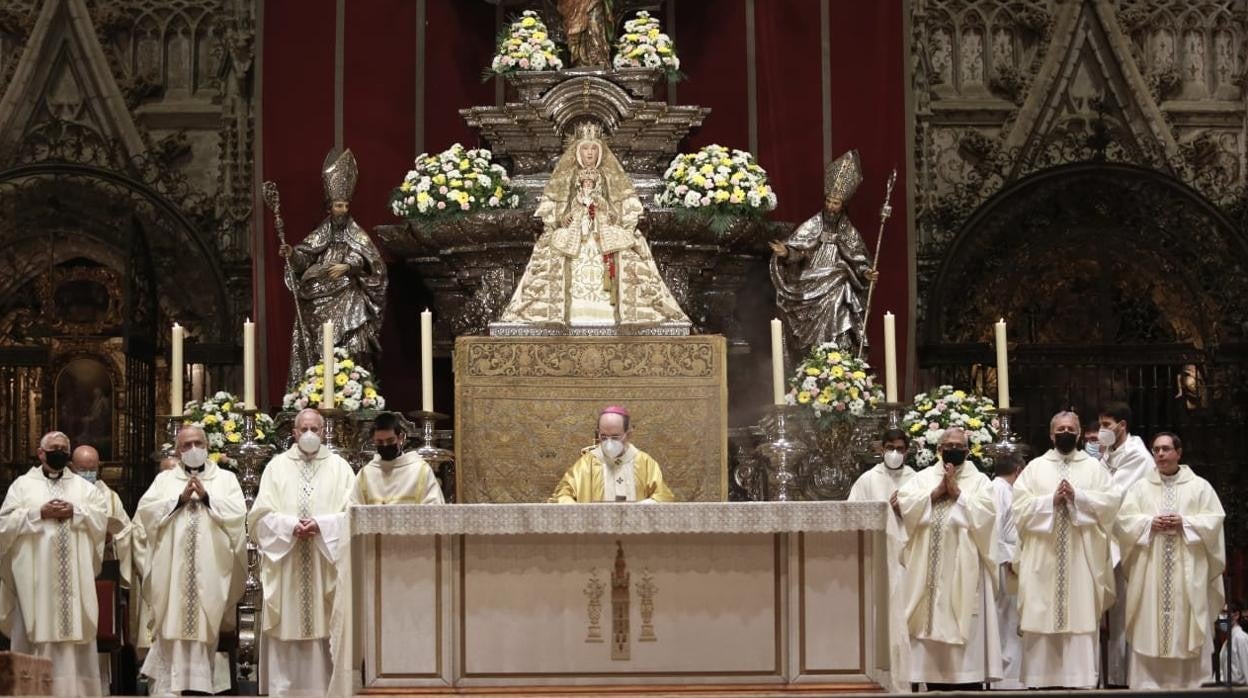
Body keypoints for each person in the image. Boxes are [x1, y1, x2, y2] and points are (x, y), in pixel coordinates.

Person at [497, 121, 689, 331]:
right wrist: (564, 218)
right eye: (585, 148)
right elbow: (553, 207)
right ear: (578, 152)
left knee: (628, 253)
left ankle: (620, 313)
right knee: (553, 253)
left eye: (594, 148)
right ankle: (560, 314)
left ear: (600, 152)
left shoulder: (612, 176)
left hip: (604, 230)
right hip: (575, 232)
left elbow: (626, 208)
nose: (589, 153)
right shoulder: (565, 176)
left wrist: (609, 214)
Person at [249, 408, 355, 696]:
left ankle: (326, 689)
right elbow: (258, 517)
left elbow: (354, 514)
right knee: (288, 619)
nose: (309, 433)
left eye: (315, 428)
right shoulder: (276, 467)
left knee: (326, 619)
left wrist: (323, 525)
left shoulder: (340, 468)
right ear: (294, 433)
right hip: (288, 563)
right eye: (303, 428)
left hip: (324, 563)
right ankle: (285, 690)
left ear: (323, 432)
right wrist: (288, 527)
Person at [1011, 411, 1120, 688]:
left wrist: (1077, 498)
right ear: (1051, 434)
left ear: (1080, 432)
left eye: (1071, 428)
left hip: (1080, 563)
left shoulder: (1095, 469)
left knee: (1079, 618)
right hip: (1042, 561)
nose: (1065, 433)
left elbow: (1110, 506)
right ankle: (1041, 682)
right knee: (1041, 616)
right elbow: (1019, 510)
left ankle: (1079, 682)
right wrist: (1051, 500)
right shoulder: (1035, 468)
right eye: (1060, 429)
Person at [136, 425, 247, 696]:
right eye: (186, 445)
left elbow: (238, 514)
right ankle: (167, 690)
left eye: (198, 443)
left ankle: (201, 688)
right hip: (173, 574)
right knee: (172, 625)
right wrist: (179, 499)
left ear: (207, 446)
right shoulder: (164, 481)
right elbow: (145, 514)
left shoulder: (225, 479)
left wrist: (208, 497)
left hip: (209, 570)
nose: (193, 449)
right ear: (177, 450)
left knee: (203, 628)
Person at [0, 431, 109, 696]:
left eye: (63, 448)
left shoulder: (85, 489)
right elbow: (4, 524)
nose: (59, 451)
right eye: (54, 448)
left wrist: (76, 512)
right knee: (37, 629)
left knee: (76, 638)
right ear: (41, 453)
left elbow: (100, 519)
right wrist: (39, 513)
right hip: (37, 583)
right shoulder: (22, 486)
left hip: (75, 581)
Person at [1116, 432, 1225, 689]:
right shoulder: (1140, 487)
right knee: (1149, 624)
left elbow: (1214, 521)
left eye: (1166, 449)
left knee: (1187, 619)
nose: (1160, 454)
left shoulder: (1199, 487)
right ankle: (1148, 684)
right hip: (1151, 570)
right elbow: (1124, 522)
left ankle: (1190, 683)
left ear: (1179, 452)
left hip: (1188, 570)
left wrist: (1184, 523)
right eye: (1156, 450)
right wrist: (1149, 523)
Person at [897, 427, 1001, 690]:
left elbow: (987, 516)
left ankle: (968, 680)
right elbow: (904, 504)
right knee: (928, 643)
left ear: (967, 451)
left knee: (965, 627)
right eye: (948, 445)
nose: (953, 450)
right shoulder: (922, 479)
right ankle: (931, 682)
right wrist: (935, 493)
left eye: (959, 446)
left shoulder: (979, 482)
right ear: (939, 449)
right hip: (926, 575)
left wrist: (957, 494)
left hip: (964, 572)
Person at [280, 148, 387, 384]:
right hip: (319, 296)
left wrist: (348, 266)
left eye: (346, 206)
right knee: (321, 346)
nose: (344, 210)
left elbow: (369, 260)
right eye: (339, 206)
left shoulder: (356, 234)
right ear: (329, 208)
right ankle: (319, 385)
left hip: (349, 294)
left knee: (355, 340)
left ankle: (356, 386)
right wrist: (292, 254)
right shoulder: (321, 234)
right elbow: (304, 257)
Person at [769, 149, 879, 358]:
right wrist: (786, 252)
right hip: (810, 276)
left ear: (843, 205)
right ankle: (814, 356)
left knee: (841, 294)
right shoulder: (814, 224)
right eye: (828, 200)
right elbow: (799, 247)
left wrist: (866, 273)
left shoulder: (848, 231)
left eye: (835, 203)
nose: (830, 206)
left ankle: (839, 353)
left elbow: (858, 258)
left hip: (837, 276)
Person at [1095, 401, 1154, 686]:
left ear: (1122, 426)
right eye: (1100, 425)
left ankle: (1124, 680)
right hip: (1106, 537)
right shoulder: (1110, 453)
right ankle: (1106, 677)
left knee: (1124, 612)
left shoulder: (1138, 456)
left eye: (1106, 425)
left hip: (1127, 542)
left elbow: (1112, 494)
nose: (1101, 431)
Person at [70, 444, 133, 692]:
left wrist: (112, 538)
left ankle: (99, 689)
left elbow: (127, 531)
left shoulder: (110, 498)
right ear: (72, 468)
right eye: (83, 469)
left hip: (101, 572)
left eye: (93, 468)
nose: (88, 473)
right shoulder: (65, 493)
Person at [549, 406, 675, 503]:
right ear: (598, 434)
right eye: (604, 437)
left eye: (615, 437)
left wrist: (646, 506)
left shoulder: (644, 462)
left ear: (629, 434)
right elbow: (561, 495)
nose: (609, 442)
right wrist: (578, 511)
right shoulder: (587, 463)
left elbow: (663, 496)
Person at [349, 412, 444, 505]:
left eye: (390, 440)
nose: (385, 445)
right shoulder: (366, 475)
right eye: (380, 442)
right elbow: (353, 510)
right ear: (374, 441)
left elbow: (435, 508)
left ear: (401, 438)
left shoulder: (420, 471)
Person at [990, 451, 1026, 690]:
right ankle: (1006, 679)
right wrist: (1009, 559)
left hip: (1009, 561)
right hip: (1005, 564)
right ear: (1018, 471)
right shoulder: (999, 489)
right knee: (1007, 620)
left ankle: (1012, 675)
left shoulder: (1004, 488)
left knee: (1011, 620)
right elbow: (996, 530)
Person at [848, 428, 916, 516]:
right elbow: (852, 512)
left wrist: (904, 510)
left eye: (899, 449)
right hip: (876, 529)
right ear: (882, 450)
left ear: (906, 452)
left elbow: (925, 514)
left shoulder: (915, 479)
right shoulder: (867, 479)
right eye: (890, 448)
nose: (894, 453)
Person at [1221, 600, 1248, 686]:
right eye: (1221, 613)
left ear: (1236, 615)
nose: (1222, 617)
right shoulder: (1227, 641)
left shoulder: (1241, 638)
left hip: (1240, 690)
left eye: (1225, 612)